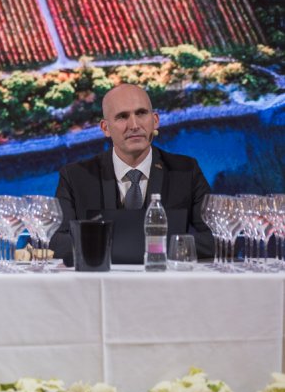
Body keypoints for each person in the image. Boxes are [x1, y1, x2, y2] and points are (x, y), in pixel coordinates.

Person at [49, 83, 214, 263]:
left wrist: (122, 245)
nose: (134, 125)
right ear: (105, 128)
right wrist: (153, 245)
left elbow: (218, 238)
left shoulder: (186, 171)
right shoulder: (75, 177)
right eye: (122, 116)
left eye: (141, 113)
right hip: (102, 279)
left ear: (155, 120)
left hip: (163, 278)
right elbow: (56, 241)